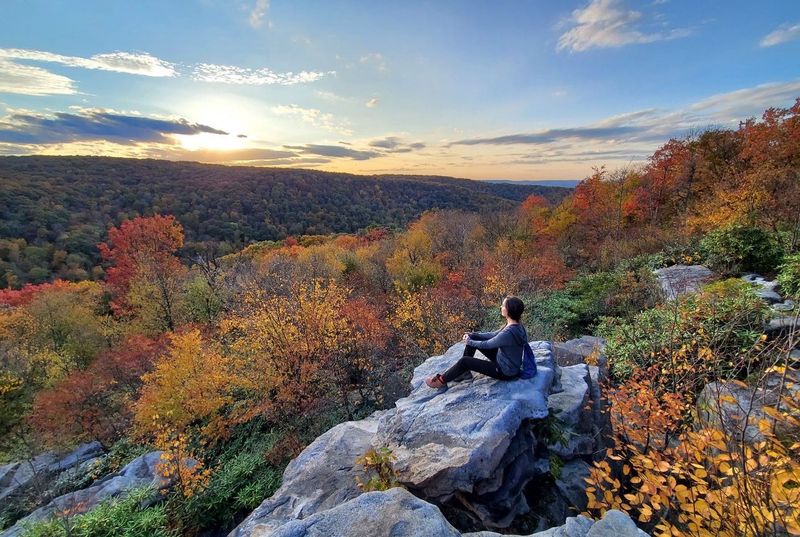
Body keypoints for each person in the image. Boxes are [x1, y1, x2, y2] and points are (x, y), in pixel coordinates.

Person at [425, 296, 527, 389]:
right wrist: (474, 335)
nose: (501, 307)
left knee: (465, 361)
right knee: (474, 337)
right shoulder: (516, 325)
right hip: (505, 360)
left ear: (509, 310)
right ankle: (464, 373)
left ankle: (441, 381)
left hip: (505, 371)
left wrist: (469, 342)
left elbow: (488, 344)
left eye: (503, 305)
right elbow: (495, 334)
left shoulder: (508, 333)